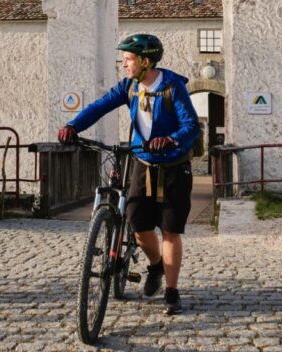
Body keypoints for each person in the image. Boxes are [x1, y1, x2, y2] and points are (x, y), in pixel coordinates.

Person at [58, 33, 199, 315]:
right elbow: (99, 106)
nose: (124, 65)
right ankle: (156, 265)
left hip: (174, 166)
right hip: (142, 162)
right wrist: (73, 125)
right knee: (138, 225)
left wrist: (170, 139)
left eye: (128, 59)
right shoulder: (129, 87)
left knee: (170, 229)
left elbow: (191, 125)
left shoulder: (173, 86)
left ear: (146, 61)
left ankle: (171, 292)